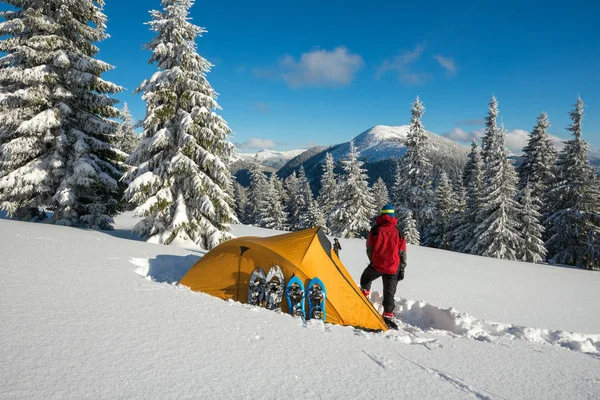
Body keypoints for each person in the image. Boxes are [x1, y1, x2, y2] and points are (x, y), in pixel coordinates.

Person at [360, 203, 407, 329]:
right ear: (392, 215)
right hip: (393, 267)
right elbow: (402, 252)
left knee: (365, 278)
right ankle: (388, 315)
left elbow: (369, 248)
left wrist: (373, 260)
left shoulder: (375, 230)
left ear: (381, 214)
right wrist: (402, 268)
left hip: (377, 265)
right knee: (389, 293)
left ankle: (364, 298)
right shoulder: (398, 231)